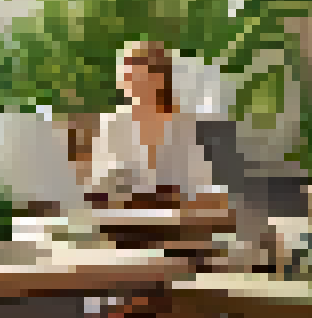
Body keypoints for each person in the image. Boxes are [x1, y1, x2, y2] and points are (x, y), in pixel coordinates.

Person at [86, 41, 227, 209]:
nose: (126, 77)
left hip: (177, 218)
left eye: (134, 69)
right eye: (125, 70)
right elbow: (99, 189)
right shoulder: (113, 124)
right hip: (123, 218)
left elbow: (204, 185)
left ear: (160, 77)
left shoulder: (184, 124)